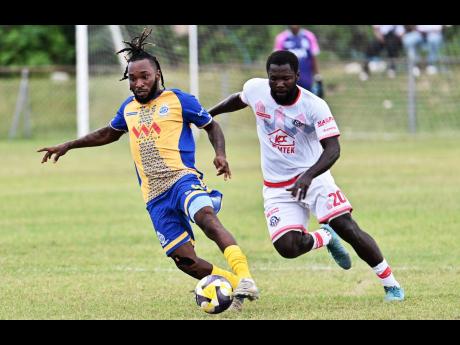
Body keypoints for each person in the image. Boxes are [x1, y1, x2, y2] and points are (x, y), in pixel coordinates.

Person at [37, 28, 259, 311]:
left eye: (145, 76)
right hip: (154, 195)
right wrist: (68, 144)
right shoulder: (127, 108)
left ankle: (245, 277)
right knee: (185, 260)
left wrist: (220, 154)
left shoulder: (179, 100)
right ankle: (231, 285)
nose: (139, 83)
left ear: (157, 75)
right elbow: (108, 133)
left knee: (206, 218)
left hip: (182, 180)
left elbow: (211, 125)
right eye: (133, 78)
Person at [207, 50, 404, 302]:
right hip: (276, 186)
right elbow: (239, 99)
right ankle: (325, 237)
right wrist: (207, 114)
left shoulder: (314, 106)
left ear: (298, 76)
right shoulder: (256, 89)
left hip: (314, 177)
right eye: (274, 78)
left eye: (286, 78)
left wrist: (308, 176)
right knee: (287, 248)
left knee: (347, 226)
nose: (279, 84)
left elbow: (333, 149)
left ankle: (391, 284)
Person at [274, 25, 324, 98]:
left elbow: (313, 57)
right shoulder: (281, 38)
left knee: (306, 101)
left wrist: (317, 75)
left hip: (306, 78)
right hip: (288, 79)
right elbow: (277, 60)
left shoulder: (309, 36)